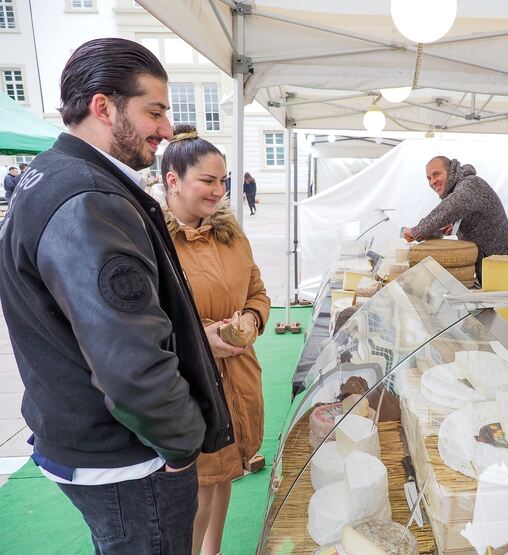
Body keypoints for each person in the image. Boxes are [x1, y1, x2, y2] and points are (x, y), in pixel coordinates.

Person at [0, 38, 233, 553]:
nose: (167, 130)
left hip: (89, 436)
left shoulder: (50, 176)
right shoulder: (89, 198)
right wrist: (180, 444)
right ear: (103, 107)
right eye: (154, 111)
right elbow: (129, 361)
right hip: (126, 455)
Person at [154, 124, 270, 555]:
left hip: (238, 375)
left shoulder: (232, 235)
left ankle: (213, 551)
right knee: (197, 485)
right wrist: (200, 338)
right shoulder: (152, 241)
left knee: (227, 473)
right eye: (207, 180)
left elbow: (258, 291)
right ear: (172, 180)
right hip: (189, 384)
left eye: (223, 180)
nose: (219, 190)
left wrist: (253, 321)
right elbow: (141, 324)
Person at [402, 156, 508, 283]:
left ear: (451, 171)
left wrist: (416, 231)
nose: (432, 182)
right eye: (429, 178)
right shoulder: (459, 190)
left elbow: (449, 208)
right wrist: (448, 227)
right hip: (493, 270)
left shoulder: (471, 184)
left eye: (436, 175)